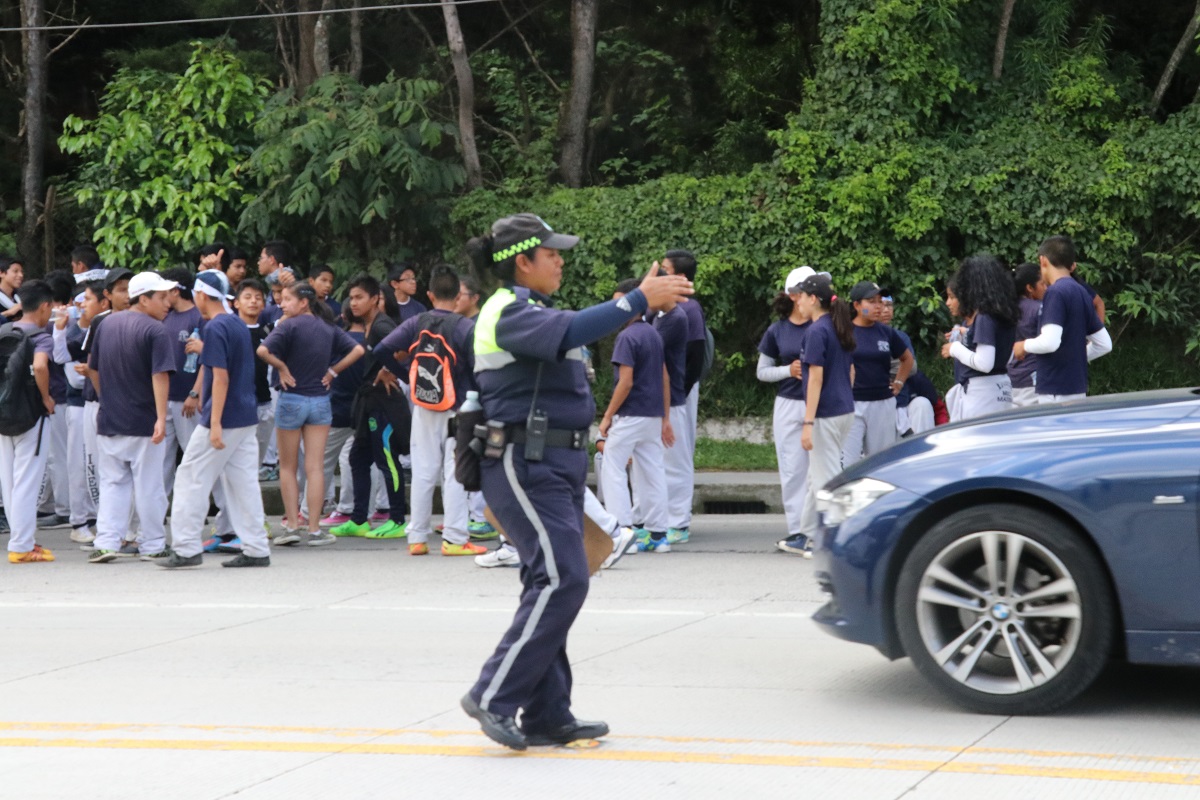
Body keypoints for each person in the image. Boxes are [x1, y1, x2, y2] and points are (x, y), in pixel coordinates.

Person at [459, 213, 692, 750]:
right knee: (563, 580)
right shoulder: (507, 310)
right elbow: (571, 330)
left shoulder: (534, 309)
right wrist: (637, 299)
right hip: (522, 462)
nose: (561, 259)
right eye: (553, 253)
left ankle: (547, 713)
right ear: (522, 262)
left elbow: (572, 328)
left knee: (552, 582)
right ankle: (494, 695)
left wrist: (642, 298)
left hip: (554, 465)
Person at [159, 271, 271, 569]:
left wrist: (215, 422)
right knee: (242, 483)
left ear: (201, 295)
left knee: (190, 477)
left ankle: (185, 548)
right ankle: (257, 548)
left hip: (225, 417)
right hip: (245, 415)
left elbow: (220, 377)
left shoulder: (215, 327)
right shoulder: (234, 323)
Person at [375, 264, 484, 557]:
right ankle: (455, 538)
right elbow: (478, 368)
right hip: (459, 409)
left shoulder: (417, 322)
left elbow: (381, 349)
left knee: (423, 472)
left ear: (430, 293)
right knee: (455, 473)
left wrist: (405, 371)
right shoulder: (466, 327)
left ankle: (417, 539)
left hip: (424, 405)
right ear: (458, 295)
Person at [257, 282, 364, 546]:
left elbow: (262, 351)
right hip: (320, 401)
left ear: (303, 302)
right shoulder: (328, 328)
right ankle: (315, 529)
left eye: (287, 300)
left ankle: (293, 525)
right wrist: (332, 372)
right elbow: (358, 350)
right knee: (315, 467)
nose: (282, 304)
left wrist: (281, 367)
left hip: (291, 400)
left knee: (287, 467)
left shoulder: (288, 326)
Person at [86, 272, 178, 564]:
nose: (167, 304)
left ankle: (106, 541)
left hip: (110, 419)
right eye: (161, 298)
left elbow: (93, 369)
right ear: (144, 299)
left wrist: (106, 400)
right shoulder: (155, 330)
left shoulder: (106, 323)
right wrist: (161, 418)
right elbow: (159, 375)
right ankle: (152, 544)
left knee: (113, 483)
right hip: (143, 422)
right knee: (149, 484)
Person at [325, 274, 411, 540]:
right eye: (351, 298)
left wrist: (390, 369)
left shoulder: (383, 326)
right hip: (368, 403)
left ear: (375, 299)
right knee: (357, 458)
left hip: (385, 404)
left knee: (387, 461)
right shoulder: (368, 325)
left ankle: (397, 518)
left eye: (360, 297)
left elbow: (407, 347)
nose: (354, 303)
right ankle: (360, 519)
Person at [599, 278, 673, 553]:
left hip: (630, 414)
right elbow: (665, 376)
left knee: (613, 466)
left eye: (621, 302)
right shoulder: (653, 333)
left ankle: (623, 534)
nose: (616, 307)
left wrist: (607, 416)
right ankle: (659, 535)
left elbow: (626, 382)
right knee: (653, 472)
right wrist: (665, 417)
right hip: (652, 414)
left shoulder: (626, 337)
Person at [784, 273, 856, 557]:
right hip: (843, 410)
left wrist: (808, 422)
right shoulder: (838, 327)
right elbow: (850, 371)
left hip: (824, 414)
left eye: (801, 296)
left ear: (813, 299)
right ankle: (806, 534)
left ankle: (835, 542)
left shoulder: (816, 332)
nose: (797, 301)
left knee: (827, 482)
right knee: (819, 475)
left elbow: (815, 378)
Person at [1013, 235, 1112, 403]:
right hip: (1076, 388)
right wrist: (1075, 358)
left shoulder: (1055, 292)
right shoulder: (1080, 291)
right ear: (1071, 264)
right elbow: (1104, 344)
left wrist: (1023, 345)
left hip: (1054, 390)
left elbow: (1050, 342)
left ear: (1043, 260)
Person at [0, 279, 57, 562]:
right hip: (32, 415)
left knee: (9, 480)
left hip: (4, 415)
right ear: (46, 306)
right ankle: (21, 546)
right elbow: (39, 365)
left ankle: (21, 539)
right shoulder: (41, 336)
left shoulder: (5, 331)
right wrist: (46, 398)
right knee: (27, 479)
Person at [757, 267, 814, 548]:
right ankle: (798, 531)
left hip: (822, 404)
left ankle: (819, 530)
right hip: (789, 404)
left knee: (821, 468)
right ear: (793, 296)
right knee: (793, 470)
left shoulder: (824, 325)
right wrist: (787, 371)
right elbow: (762, 372)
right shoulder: (777, 330)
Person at [841, 280, 913, 466]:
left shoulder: (886, 332)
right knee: (848, 465)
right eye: (871, 301)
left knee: (880, 465)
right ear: (856, 305)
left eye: (880, 301)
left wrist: (898, 383)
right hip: (852, 405)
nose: (878, 306)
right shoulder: (844, 332)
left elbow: (907, 359)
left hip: (882, 404)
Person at [659, 249, 704, 540]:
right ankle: (662, 517)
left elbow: (696, 354)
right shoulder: (662, 306)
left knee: (679, 455)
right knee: (663, 455)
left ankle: (679, 522)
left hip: (679, 391)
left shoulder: (689, 309)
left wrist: (681, 392)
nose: (660, 273)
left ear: (681, 277)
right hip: (663, 393)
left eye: (665, 269)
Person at [940, 255, 1017, 420]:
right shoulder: (1004, 313)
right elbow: (1008, 356)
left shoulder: (984, 316)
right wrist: (967, 334)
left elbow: (985, 363)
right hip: (1002, 388)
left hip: (981, 395)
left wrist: (955, 348)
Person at [160, 266, 206, 497]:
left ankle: (197, 503)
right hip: (165, 396)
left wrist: (195, 393)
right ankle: (158, 509)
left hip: (186, 399)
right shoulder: (164, 316)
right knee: (162, 457)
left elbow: (208, 362)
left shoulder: (198, 317)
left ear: (175, 290)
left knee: (192, 454)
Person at [1009, 262, 1046, 408]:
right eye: (1043, 284)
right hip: (1034, 381)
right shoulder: (1039, 308)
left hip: (1010, 380)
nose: (1046, 288)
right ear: (1030, 288)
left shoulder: (1005, 309)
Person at [0, 256, 24, 321]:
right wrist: (9, 313)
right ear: (1, 273)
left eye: (21, 272)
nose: (21, 275)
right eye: (15, 271)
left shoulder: (21, 296)